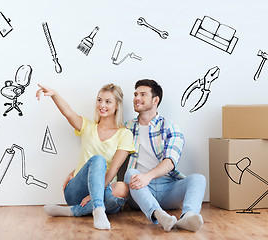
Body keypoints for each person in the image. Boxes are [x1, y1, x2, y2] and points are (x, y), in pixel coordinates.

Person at [36, 83, 134, 230]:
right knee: (98, 159)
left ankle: (72, 211)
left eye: (108, 101)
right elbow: (68, 112)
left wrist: (97, 194)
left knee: (123, 188)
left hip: (105, 189)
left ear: (117, 106)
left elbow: (115, 169)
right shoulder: (88, 127)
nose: (102, 105)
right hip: (77, 190)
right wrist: (55, 95)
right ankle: (98, 208)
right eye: (99, 100)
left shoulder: (124, 134)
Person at [123, 79, 206, 232]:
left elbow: (170, 161)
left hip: (168, 187)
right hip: (140, 190)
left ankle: (188, 217)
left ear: (155, 100)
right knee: (131, 173)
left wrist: (147, 176)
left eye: (142, 94)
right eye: (135, 94)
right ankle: (159, 215)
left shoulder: (170, 127)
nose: (136, 98)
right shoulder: (127, 127)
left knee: (198, 179)